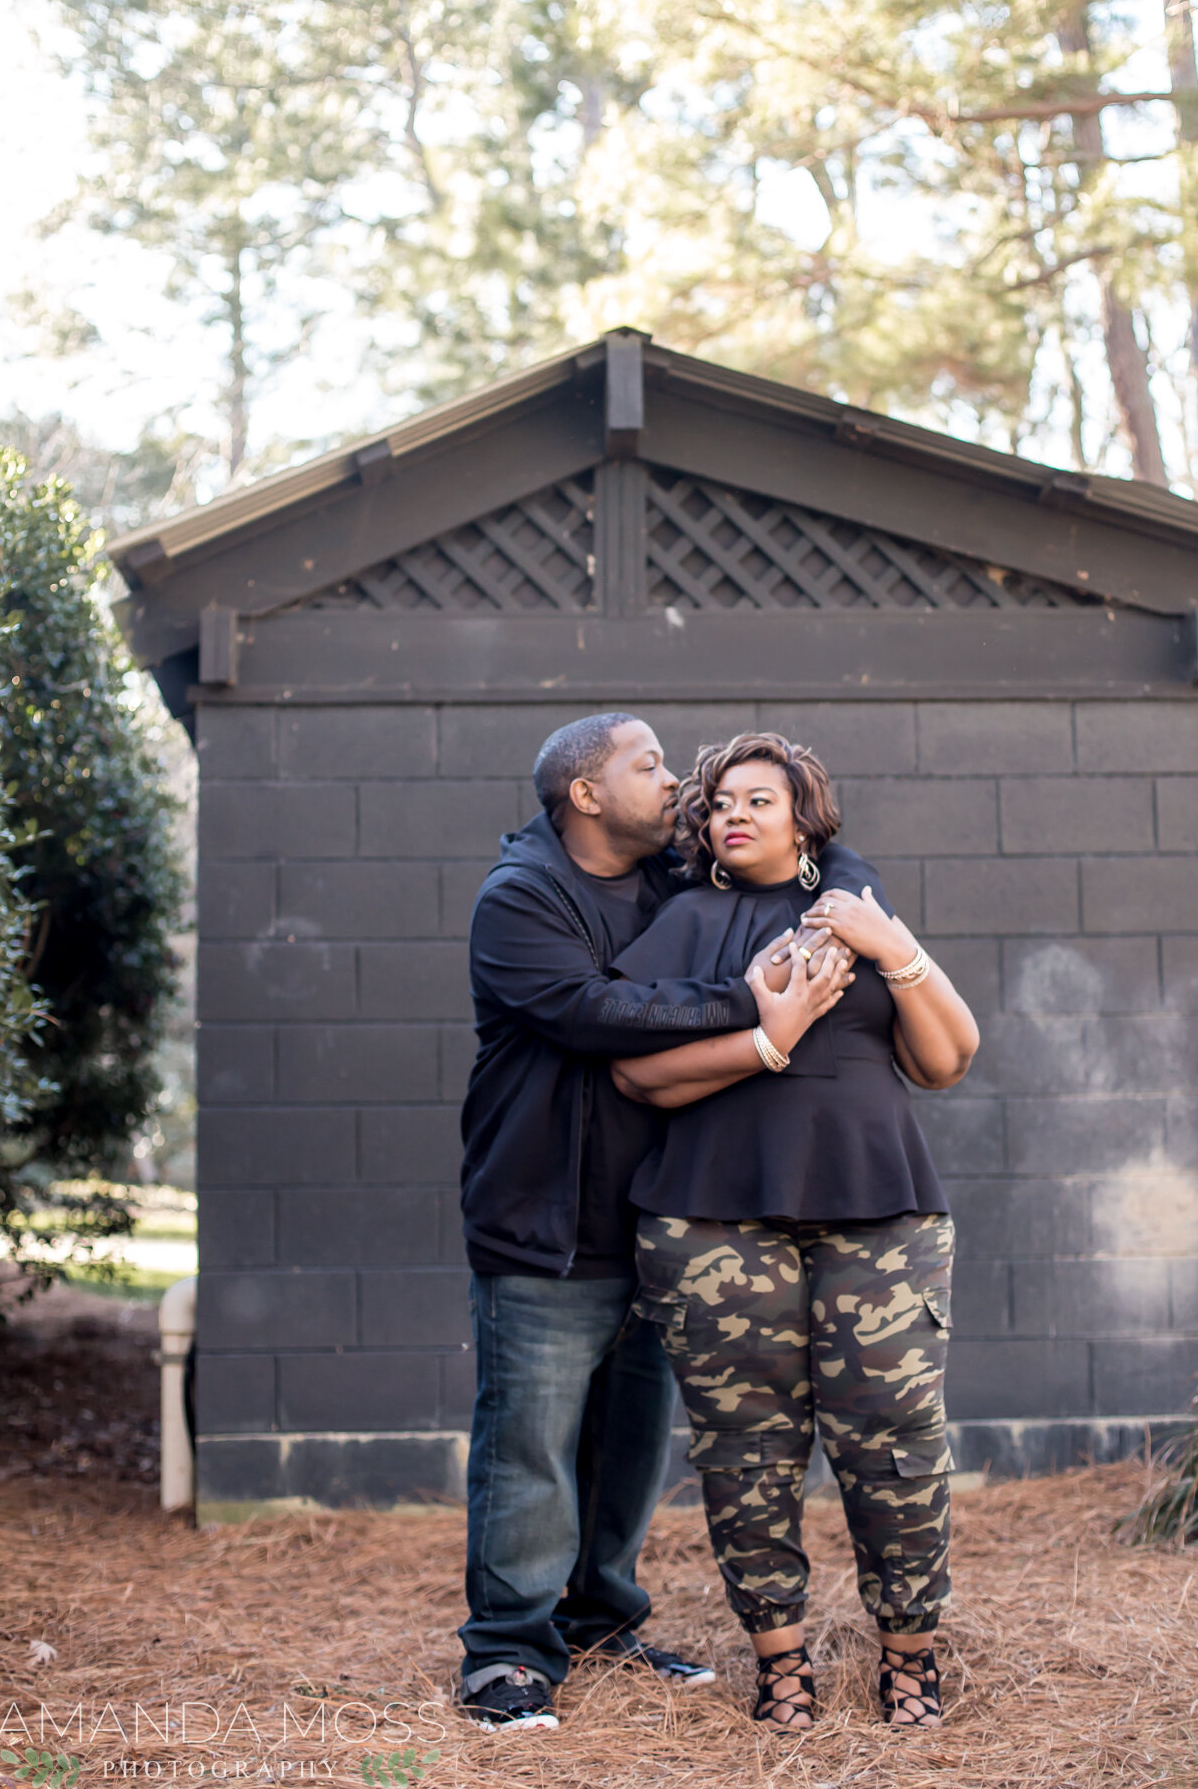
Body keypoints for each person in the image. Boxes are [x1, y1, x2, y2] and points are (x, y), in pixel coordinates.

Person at [456, 712, 850, 1732]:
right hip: (543, 1218)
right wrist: (747, 1006)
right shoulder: (520, 899)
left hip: (660, 1215)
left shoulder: (676, 880)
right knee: (530, 1445)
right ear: (587, 794)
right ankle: (507, 1652)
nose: (678, 781)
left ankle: (601, 1617)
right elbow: (594, 1012)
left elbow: (806, 860)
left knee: (629, 1440)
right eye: (650, 764)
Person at [609, 731, 980, 1733]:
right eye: (720, 801)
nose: (733, 813)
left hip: (880, 1217)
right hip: (714, 1224)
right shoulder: (685, 922)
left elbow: (948, 1058)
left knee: (896, 1443)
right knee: (746, 1449)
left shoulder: (857, 908)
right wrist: (766, 1042)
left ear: (804, 813)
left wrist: (890, 945)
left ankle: (909, 1654)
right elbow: (636, 1073)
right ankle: (781, 1660)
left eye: (759, 798)